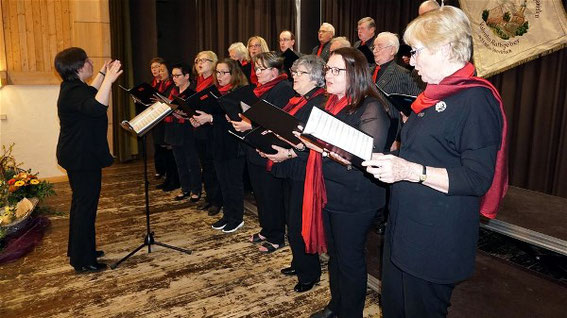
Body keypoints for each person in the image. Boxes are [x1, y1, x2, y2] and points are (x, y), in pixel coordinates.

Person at [362, 6, 508, 317]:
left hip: (435, 239)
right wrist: (389, 158)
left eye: (416, 51)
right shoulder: (434, 96)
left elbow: (477, 178)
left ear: (443, 48)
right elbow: (421, 152)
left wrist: (409, 170)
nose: (410, 61)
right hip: (405, 229)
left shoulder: (475, 101)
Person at [303, 47, 391, 318]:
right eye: (328, 69)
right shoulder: (329, 103)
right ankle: (336, 305)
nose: (329, 75)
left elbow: (369, 152)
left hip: (355, 196)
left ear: (355, 72)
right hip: (328, 190)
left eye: (336, 70)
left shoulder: (371, 105)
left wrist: (332, 149)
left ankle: (350, 313)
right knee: (336, 257)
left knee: (350, 259)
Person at [55, 47, 122, 273]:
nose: (91, 62)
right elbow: (96, 106)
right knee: (85, 207)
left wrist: (102, 76)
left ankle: (81, 250)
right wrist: (110, 80)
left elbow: (89, 97)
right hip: (81, 158)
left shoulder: (74, 87)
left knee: (82, 205)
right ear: (79, 67)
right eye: (87, 60)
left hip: (78, 155)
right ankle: (83, 261)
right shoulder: (73, 91)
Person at [263, 55, 326, 293]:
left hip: (304, 169)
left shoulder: (318, 102)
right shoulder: (299, 100)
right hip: (293, 167)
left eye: (300, 73)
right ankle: (298, 263)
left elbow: (312, 141)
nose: (294, 77)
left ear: (315, 79)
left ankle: (309, 272)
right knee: (292, 221)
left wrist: (287, 151)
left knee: (300, 224)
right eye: (294, 72)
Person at [230, 51, 295, 252]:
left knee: (271, 194)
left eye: (261, 69)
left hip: (269, 148)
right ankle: (266, 229)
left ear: (274, 71)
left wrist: (249, 126)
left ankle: (276, 236)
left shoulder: (283, 88)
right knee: (260, 193)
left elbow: (275, 121)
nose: (256, 72)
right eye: (256, 68)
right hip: (255, 146)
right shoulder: (260, 89)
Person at [193, 59, 249, 233]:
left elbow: (236, 120)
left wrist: (210, 118)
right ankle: (227, 215)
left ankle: (236, 218)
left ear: (234, 74)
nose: (220, 76)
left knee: (233, 183)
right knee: (223, 182)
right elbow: (213, 116)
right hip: (216, 142)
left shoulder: (240, 92)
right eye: (217, 72)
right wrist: (198, 118)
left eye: (224, 72)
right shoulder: (215, 92)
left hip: (234, 144)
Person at [190, 51, 223, 216]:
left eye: (204, 60)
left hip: (213, 130)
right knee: (206, 167)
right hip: (200, 130)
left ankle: (217, 201)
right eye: (197, 61)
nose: (200, 63)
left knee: (214, 166)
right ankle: (209, 197)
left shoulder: (217, 83)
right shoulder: (198, 82)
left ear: (214, 62)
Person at [164, 63, 202, 202]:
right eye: (173, 75)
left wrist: (184, 115)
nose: (174, 78)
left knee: (192, 162)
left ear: (186, 76)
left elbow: (196, 114)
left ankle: (196, 190)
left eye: (178, 75)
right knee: (179, 162)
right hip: (173, 130)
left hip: (188, 130)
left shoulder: (193, 93)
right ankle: (185, 188)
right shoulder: (172, 91)